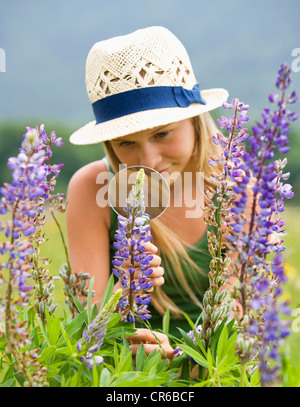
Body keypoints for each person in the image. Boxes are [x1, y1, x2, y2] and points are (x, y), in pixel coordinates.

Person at [66, 26, 231, 358]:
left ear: (195, 120)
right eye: (126, 142)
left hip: (219, 363)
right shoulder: (91, 188)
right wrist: (124, 294)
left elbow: (242, 313)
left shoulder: (237, 185)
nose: (149, 160)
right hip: (128, 369)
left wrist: (187, 357)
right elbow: (87, 331)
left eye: (162, 134)